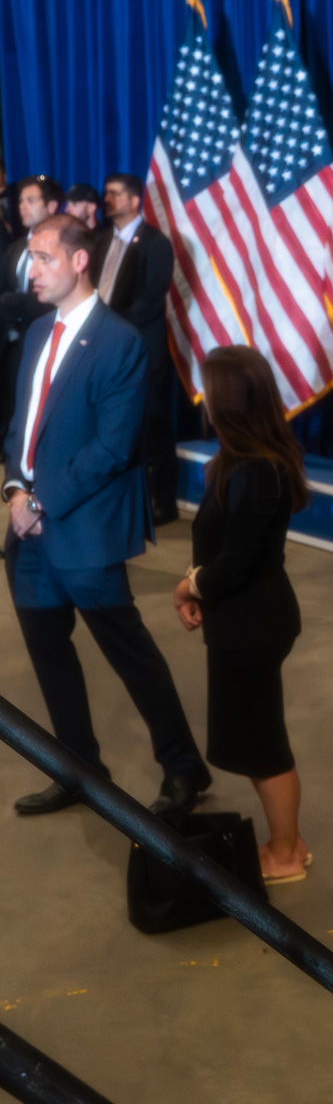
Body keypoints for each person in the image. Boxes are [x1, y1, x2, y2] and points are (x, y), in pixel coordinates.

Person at [2, 216, 210, 818]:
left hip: (84, 531)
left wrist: (40, 502)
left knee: (130, 655)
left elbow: (113, 448)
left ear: (79, 261)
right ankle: (79, 770)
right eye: (30, 259)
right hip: (28, 532)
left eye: (44, 258)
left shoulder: (120, 342)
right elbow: (22, 426)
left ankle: (184, 768)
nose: (32, 271)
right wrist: (14, 489)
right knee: (50, 656)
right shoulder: (37, 332)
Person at [172, 347, 310, 884]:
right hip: (241, 622)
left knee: (263, 748)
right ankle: (289, 840)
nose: (203, 401)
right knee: (254, 742)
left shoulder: (257, 471)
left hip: (254, 626)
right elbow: (218, 547)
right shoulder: (237, 461)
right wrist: (197, 584)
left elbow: (235, 564)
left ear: (229, 401)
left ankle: (286, 854)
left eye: (210, 391)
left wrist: (189, 586)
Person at [96, 174, 179, 526]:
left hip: (141, 348)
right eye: (106, 193)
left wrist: (108, 329)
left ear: (133, 201)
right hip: (104, 345)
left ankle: (164, 502)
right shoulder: (102, 240)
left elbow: (150, 300)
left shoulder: (155, 243)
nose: (107, 199)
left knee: (153, 423)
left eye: (115, 194)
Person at [0, 177, 62, 440]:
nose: (23, 207)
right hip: (13, 342)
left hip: (47, 340)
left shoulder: (64, 248)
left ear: (52, 206)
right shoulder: (15, 248)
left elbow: (52, 302)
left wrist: (14, 303)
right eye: (21, 201)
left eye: (31, 200)